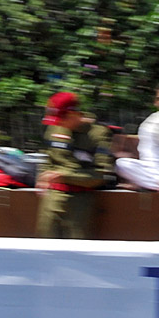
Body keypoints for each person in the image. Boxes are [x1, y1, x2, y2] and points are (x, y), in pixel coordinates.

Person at [36, 92, 116, 238]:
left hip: (79, 199)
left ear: (73, 114)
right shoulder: (54, 130)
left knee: (76, 250)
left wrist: (63, 176)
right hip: (53, 198)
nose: (57, 123)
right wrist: (41, 176)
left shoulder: (98, 135)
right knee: (44, 248)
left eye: (60, 118)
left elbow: (102, 174)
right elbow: (48, 157)